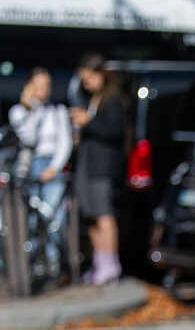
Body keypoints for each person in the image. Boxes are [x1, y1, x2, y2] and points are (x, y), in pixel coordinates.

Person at [8, 68, 72, 276]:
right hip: (31, 166)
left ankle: (54, 263)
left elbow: (65, 141)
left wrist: (54, 167)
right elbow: (28, 138)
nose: (43, 90)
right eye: (38, 85)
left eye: (46, 85)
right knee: (33, 219)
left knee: (53, 216)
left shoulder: (58, 110)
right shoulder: (19, 111)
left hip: (52, 165)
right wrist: (33, 108)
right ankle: (34, 263)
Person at [69, 54, 127, 285]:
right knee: (91, 216)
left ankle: (111, 264)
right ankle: (99, 264)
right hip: (87, 163)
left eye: (89, 78)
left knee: (104, 215)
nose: (87, 83)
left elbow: (115, 131)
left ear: (101, 75)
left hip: (102, 167)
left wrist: (88, 123)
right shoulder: (90, 99)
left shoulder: (112, 100)